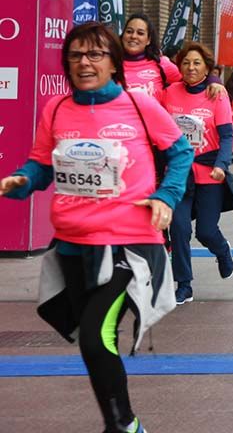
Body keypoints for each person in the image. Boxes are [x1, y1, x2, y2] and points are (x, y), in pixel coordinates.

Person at [1, 22, 192, 433]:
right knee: (94, 345)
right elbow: (40, 166)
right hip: (72, 245)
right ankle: (121, 424)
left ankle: (125, 426)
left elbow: (180, 152)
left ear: (113, 62)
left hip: (129, 244)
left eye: (94, 55)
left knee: (95, 336)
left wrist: (166, 197)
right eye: (75, 55)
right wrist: (20, 182)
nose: (84, 63)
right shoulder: (55, 108)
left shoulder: (140, 106)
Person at [162, 41, 233, 305]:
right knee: (179, 228)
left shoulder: (217, 94)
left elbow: (227, 136)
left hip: (209, 172)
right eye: (185, 62)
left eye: (196, 63)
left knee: (205, 230)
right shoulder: (169, 92)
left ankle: (222, 249)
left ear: (207, 67)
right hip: (179, 173)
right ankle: (184, 284)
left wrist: (221, 165)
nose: (191, 67)